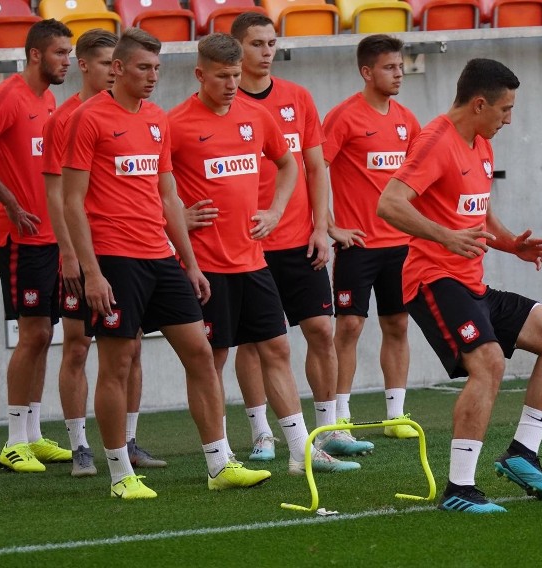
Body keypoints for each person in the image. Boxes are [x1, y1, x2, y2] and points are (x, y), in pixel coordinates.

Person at [61, 28, 270, 499]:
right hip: (115, 259)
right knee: (116, 363)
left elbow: (168, 195)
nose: (153, 76)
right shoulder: (88, 119)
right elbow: (72, 202)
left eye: (157, 68)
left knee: (200, 352)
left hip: (160, 256)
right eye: (142, 67)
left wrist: (190, 264)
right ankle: (120, 475)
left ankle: (219, 463)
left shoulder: (157, 119)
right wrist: (91, 271)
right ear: (117, 69)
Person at [377, 59, 542, 513]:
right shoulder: (435, 141)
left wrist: (510, 244)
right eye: (505, 109)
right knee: (488, 362)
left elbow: (478, 210)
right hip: (431, 280)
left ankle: (522, 453)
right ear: (478, 103)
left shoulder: (481, 144)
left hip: (472, 283)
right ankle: (459, 489)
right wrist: (445, 237)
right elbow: (389, 204)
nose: (509, 118)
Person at [168, 32, 359, 475]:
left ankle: (301, 451)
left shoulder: (255, 116)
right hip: (207, 266)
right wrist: (175, 218)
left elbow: (290, 163)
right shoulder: (175, 124)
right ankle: (220, 458)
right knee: (211, 359)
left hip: (253, 261)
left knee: (277, 348)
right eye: (222, 76)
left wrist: (275, 211)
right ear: (200, 74)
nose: (232, 84)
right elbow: (154, 188)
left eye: (236, 75)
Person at [228, 12, 373, 460]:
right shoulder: (225, 105)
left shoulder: (297, 98)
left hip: (300, 241)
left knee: (320, 332)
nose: (267, 52)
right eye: (256, 44)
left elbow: (315, 167)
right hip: (248, 245)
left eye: (271, 43)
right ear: (236, 49)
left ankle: (328, 430)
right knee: (256, 342)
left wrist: (321, 228)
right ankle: (262, 433)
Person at [42, 28, 166, 478]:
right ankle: (79, 446)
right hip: (85, 253)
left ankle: (128, 441)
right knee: (77, 346)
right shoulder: (69, 118)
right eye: (104, 63)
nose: (114, 71)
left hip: (130, 255)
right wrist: (69, 254)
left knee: (130, 347)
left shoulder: (143, 115)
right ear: (88, 66)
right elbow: (59, 195)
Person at [0, 19, 74, 473]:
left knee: (45, 336)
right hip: (18, 235)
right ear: (35, 55)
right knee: (32, 336)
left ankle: (33, 434)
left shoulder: (47, 98)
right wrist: (9, 201)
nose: (67, 60)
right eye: (61, 53)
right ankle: (11, 442)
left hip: (47, 236)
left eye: (69, 52)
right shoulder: (8, 94)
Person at [322, 34, 421, 439]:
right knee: (348, 327)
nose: (398, 73)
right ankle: (340, 416)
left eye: (400, 66)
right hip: (358, 245)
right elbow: (313, 172)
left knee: (397, 324)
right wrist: (329, 226)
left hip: (401, 246)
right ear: (367, 72)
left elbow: (421, 180)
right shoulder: (343, 117)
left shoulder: (407, 120)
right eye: (389, 67)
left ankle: (395, 416)